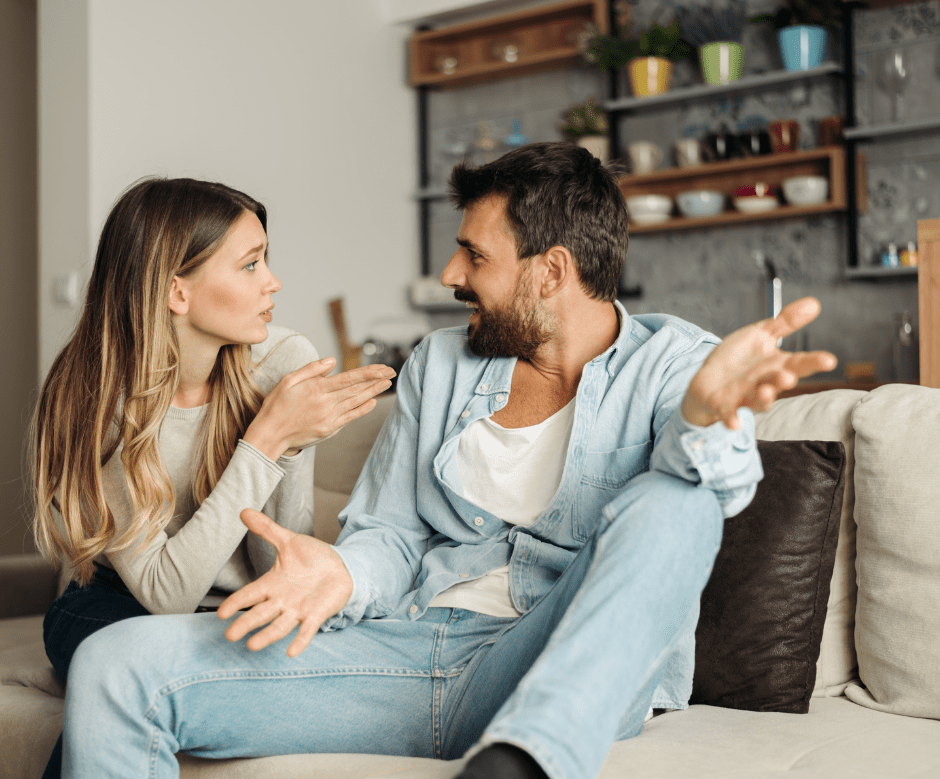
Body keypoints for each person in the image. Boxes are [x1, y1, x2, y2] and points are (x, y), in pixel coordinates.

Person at [60, 144, 837, 779]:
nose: (450, 276)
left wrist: (702, 422)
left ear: (550, 272)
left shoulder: (676, 366)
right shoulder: (441, 363)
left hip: (545, 663)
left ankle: (523, 760)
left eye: (473, 254)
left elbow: (716, 496)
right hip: (401, 650)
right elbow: (390, 536)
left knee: (678, 498)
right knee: (113, 664)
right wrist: (343, 574)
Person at [30, 177, 395, 779]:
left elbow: (276, 560)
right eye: (250, 265)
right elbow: (164, 596)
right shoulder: (99, 398)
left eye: (266, 260)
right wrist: (266, 440)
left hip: (239, 606)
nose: (273, 282)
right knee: (124, 673)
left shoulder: (282, 362)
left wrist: (289, 445)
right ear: (177, 291)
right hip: (114, 606)